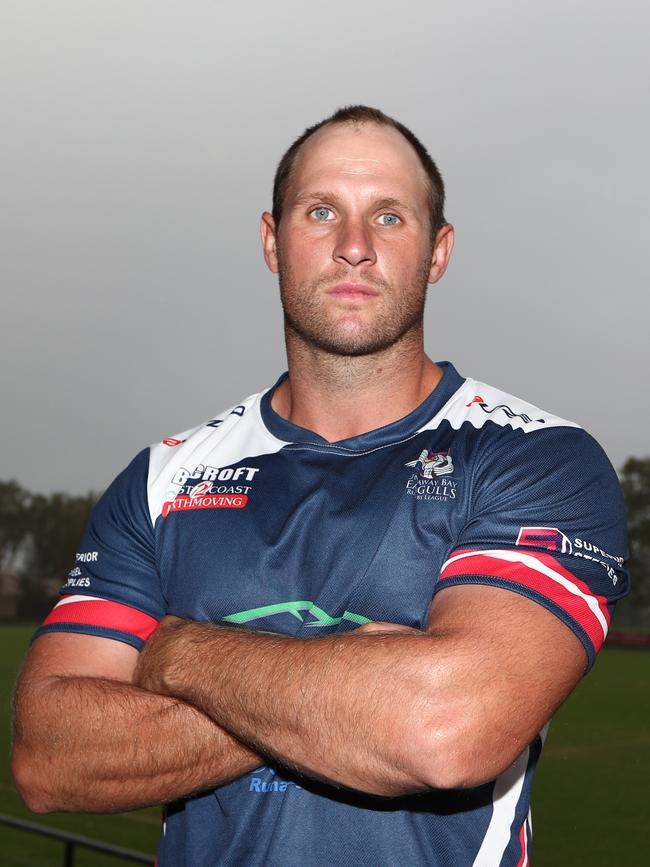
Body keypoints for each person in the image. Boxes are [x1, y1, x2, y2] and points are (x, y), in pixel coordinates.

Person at [12, 105, 629, 866]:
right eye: (322, 210)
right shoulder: (161, 480)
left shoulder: (537, 458)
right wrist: (362, 688)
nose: (354, 247)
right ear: (273, 241)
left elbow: (447, 728)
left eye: (390, 216)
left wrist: (181, 656)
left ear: (438, 252)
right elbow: (49, 754)